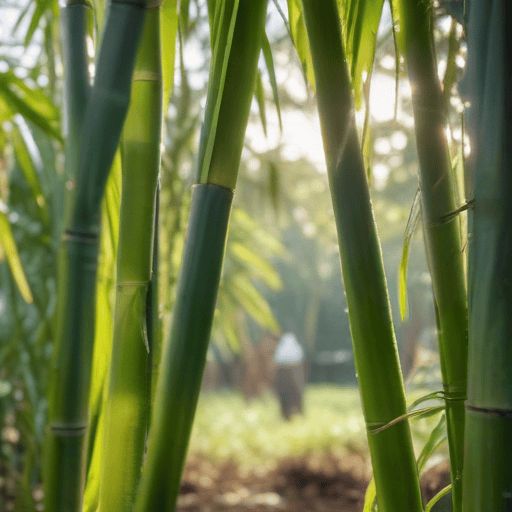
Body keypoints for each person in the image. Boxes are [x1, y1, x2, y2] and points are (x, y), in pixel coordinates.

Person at [273, 332, 305, 420]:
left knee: (291, 396)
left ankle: (293, 413)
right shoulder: (294, 350)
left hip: (287, 375)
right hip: (289, 375)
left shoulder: (282, 350)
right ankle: (290, 413)